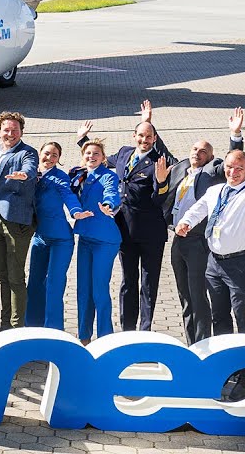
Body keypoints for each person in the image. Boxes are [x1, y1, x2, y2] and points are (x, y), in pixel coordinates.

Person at [176, 127, 245, 401]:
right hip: (214, 263)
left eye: (239, 168)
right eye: (229, 167)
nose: (233, 172)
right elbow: (200, 208)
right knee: (219, 316)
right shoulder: (217, 190)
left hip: (242, 264)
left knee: (244, 315)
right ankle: (227, 365)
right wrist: (186, 222)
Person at [77, 100, 173, 332]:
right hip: (124, 230)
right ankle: (127, 330)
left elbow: (160, 197)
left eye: (149, 136)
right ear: (134, 136)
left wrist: (161, 182)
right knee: (128, 282)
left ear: (155, 139)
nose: (144, 140)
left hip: (150, 234)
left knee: (148, 285)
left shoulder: (161, 160)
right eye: (140, 135)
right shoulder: (123, 153)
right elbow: (98, 160)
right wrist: (83, 141)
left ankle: (145, 331)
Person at [162, 108, 245, 344]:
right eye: (195, 149)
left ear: (210, 157)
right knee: (185, 298)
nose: (198, 153)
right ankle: (192, 345)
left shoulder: (213, 171)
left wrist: (235, 134)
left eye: (204, 151)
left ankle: (203, 346)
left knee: (198, 297)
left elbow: (233, 160)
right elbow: (160, 151)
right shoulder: (180, 168)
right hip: (178, 241)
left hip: (198, 243)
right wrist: (148, 123)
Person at [0, 111, 39, 331]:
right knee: (2, 275)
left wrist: (24, 175)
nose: (10, 134)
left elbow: (30, 168)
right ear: (0, 131)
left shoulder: (27, 152)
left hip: (16, 221)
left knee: (16, 277)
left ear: (21, 131)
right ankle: (4, 323)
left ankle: (17, 328)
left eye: (14, 130)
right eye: (6, 130)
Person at [25, 141, 83, 332]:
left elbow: (68, 195)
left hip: (61, 239)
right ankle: (32, 329)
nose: (49, 158)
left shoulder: (60, 177)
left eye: (54, 155)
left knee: (53, 285)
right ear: (39, 153)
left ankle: (53, 332)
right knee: (34, 283)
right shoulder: (30, 173)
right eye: (47, 153)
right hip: (40, 237)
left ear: (59, 159)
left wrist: (76, 212)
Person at [71, 139, 122, 344]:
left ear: (103, 158)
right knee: (83, 289)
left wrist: (109, 204)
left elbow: (112, 193)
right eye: (88, 154)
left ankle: (105, 338)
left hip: (104, 240)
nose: (91, 157)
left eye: (96, 154)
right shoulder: (80, 175)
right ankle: (84, 337)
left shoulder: (109, 176)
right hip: (85, 238)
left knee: (99, 290)